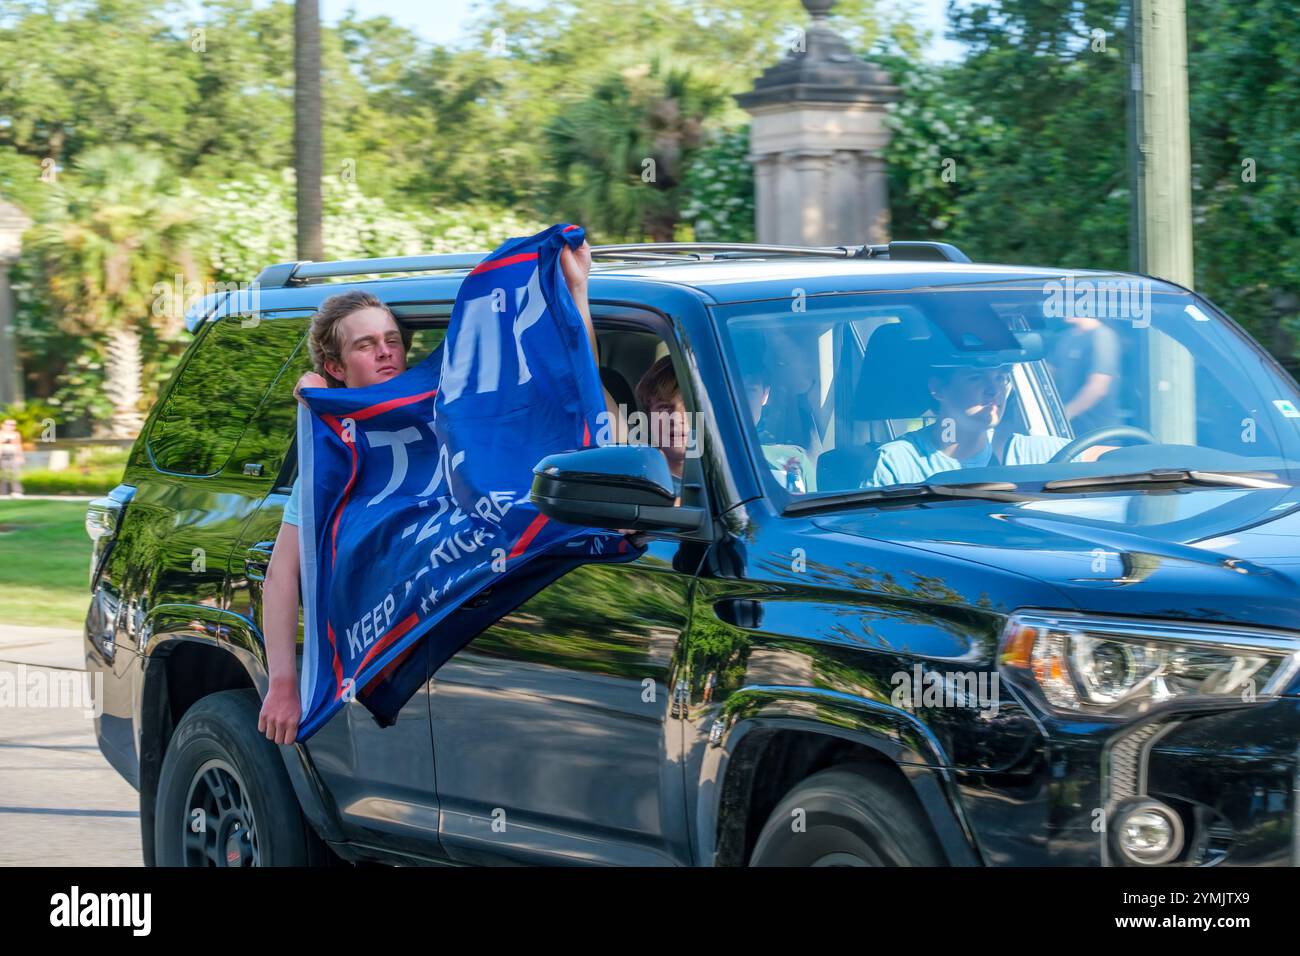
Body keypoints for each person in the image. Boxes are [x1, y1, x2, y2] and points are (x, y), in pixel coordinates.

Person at [259, 240, 604, 744]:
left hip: (486, 593)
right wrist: (284, 683)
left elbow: (575, 405)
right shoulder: (338, 456)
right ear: (335, 367)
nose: (385, 352)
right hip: (407, 641)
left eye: (392, 340)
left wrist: (576, 292)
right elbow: (282, 572)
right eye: (365, 345)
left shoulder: (453, 403)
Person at [865, 363, 1111, 488]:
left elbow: (1116, 459)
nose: (994, 390)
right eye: (976, 377)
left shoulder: (1034, 453)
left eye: (1001, 378)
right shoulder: (898, 463)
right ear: (938, 389)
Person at [1048, 313, 1121, 436]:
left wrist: (1063, 415)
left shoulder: (1102, 336)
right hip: (1067, 430)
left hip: (1096, 433)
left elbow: (1097, 388)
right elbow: (1049, 373)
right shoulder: (1066, 337)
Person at [0, 419, 24, 497]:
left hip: (13, 456)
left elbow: (18, 445)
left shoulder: (16, 434)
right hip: (3, 456)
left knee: (16, 474)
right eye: (9, 424)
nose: (11, 426)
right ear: (3, 425)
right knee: (4, 475)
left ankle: (17, 491)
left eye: (13, 425)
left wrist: (20, 456)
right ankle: (3, 492)